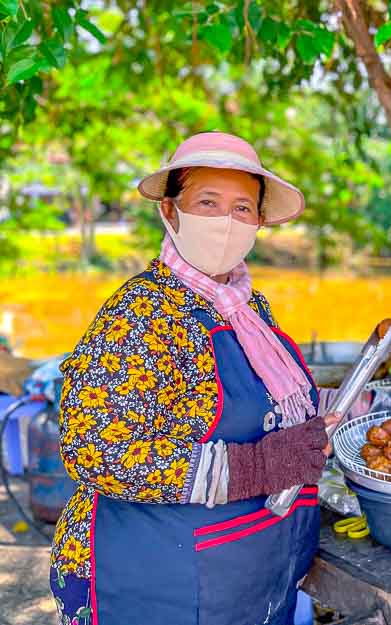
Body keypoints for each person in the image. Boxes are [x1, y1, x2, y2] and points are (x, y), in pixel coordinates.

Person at [50, 132, 342, 625]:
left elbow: (268, 404)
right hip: (152, 579)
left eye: (243, 208)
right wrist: (253, 468)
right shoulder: (139, 314)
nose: (226, 222)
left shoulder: (251, 308)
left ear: (259, 222)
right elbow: (93, 450)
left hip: (243, 571)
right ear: (170, 212)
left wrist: (340, 409)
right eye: (207, 202)